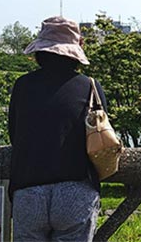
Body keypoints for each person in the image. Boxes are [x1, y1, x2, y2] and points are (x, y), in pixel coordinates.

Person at [8, 16, 107, 242]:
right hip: (76, 189)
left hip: (28, 188)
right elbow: (101, 134)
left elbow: (14, 134)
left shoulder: (22, 85)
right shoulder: (89, 86)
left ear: (40, 49)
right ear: (77, 48)